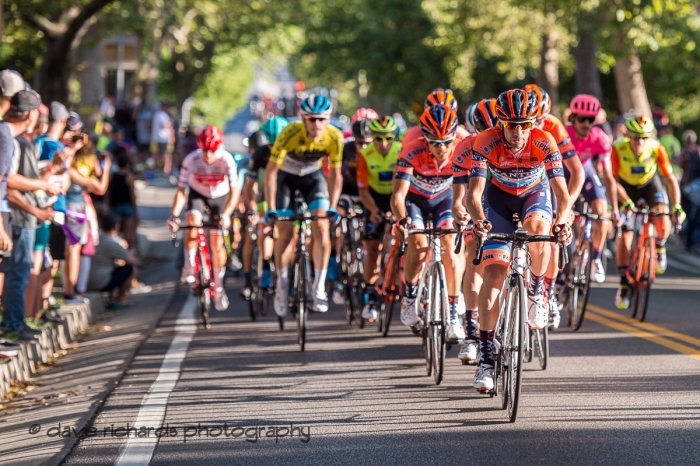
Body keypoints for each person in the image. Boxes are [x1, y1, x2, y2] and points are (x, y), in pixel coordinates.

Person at [465, 89, 571, 391]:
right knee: (494, 274)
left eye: (525, 124)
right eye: (512, 125)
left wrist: (561, 220)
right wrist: (478, 221)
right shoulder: (485, 141)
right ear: (501, 123)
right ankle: (486, 360)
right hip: (497, 200)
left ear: (534, 122)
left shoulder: (544, 141)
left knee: (540, 228)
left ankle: (537, 290)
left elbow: (561, 192)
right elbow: (474, 193)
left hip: (533, 195)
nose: (519, 131)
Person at [264, 94, 343, 315]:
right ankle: (281, 284)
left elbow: (335, 175)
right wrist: (271, 207)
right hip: (286, 180)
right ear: (302, 118)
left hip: (312, 179)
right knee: (285, 233)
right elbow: (270, 173)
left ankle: (318, 287)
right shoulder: (289, 133)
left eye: (321, 119)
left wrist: (333, 206)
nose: (316, 124)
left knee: (321, 227)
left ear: (328, 119)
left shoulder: (334, 137)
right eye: (311, 119)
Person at [393, 103, 465, 340]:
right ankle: (411, 297)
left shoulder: (462, 151)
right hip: (416, 202)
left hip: (445, 201)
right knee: (418, 246)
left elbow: (471, 190)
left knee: (452, 249)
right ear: (425, 138)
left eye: (447, 141)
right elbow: (398, 196)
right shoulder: (411, 151)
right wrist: (402, 220)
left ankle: (453, 314)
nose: (442, 147)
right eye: (435, 142)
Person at [2, 90, 61, 341]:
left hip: (22, 217)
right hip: (15, 217)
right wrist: (38, 203)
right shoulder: (9, 139)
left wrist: (50, 174)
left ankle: (16, 322)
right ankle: (12, 325)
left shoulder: (19, 139)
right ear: (30, 114)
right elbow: (8, 183)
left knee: (21, 271)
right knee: (16, 271)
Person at [527, 85, 584, 329]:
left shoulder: (553, 126)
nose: (538, 123)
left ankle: (546, 294)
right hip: (523, 181)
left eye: (541, 118)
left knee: (552, 233)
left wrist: (567, 205)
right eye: (534, 118)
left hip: (550, 180)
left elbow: (577, 172)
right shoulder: (516, 126)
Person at [612, 116, 684, 309]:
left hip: (649, 184)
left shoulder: (656, 148)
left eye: (644, 137)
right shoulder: (618, 149)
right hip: (625, 188)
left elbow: (670, 179)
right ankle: (624, 283)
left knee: (662, 211)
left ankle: (659, 247)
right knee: (625, 236)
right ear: (628, 136)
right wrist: (625, 202)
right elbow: (613, 181)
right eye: (635, 137)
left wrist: (677, 206)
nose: (639, 142)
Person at [168, 125, 238, 311]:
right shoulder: (191, 159)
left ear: (219, 148)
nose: (208, 155)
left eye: (212, 151)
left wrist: (227, 215)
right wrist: (174, 215)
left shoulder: (227, 160)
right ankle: (189, 265)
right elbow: (182, 191)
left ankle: (219, 285)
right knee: (192, 224)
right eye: (205, 150)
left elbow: (235, 192)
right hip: (197, 194)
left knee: (216, 244)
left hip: (220, 197)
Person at [451, 98, 499, 363]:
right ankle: (471, 333)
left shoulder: (514, 140)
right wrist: (460, 212)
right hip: (477, 201)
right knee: (475, 256)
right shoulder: (466, 146)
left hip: (506, 200)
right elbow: (460, 198)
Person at [566, 94, 620, 284]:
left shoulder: (601, 139)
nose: (586, 123)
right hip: (564, 172)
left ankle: (596, 259)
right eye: (582, 118)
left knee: (601, 214)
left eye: (591, 119)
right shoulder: (563, 134)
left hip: (586, 171)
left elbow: (608, 176)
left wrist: (615, 209)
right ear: (572, 118)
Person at [356, 116, 400, 321]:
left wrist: (396, 208)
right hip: (373, 200)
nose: (383, 144)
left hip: (396, 197)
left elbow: (404, 186)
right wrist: (373, 210)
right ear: (371, 137)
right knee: (372, 246)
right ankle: (370, 295)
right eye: (378, 139)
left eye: (388, 138)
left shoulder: (401, 151)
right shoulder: (364, 154)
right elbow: (363, 190)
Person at [241, 116, 288, 299]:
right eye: (271, 146)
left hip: (286, 193)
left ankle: (290, 272)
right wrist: (251, 208)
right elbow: (249, 186)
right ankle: (267, 266)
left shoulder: (293, 150)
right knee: (264, 228)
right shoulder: (260, 154)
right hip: (265, 197)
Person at [87, 213, 137, 308]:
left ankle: (113, 297)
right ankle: (118, 299)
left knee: (113, 268)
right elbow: (132, 261)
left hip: (84, 282)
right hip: (100, 283)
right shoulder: (112, 243)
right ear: (116, 227)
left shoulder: (94, 239)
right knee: (130, 269)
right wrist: (131, 253)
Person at [108, 147, 139, 248]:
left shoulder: (112, 176)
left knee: (114, 232)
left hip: (115, 206)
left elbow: (108, 193)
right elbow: (132, 195)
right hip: (127, 207)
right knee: (128, 232)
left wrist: (108, 205)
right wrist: (136, 211)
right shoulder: (129, 177)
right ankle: (130, 251)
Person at [151, 102, 174, 173]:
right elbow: (166, 125)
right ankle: (166, 171)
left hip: (156, 138)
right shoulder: (162, 115)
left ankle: (156, 170)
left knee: (156, 155)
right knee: (166, 155)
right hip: (163, 139)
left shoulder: (156, 114)